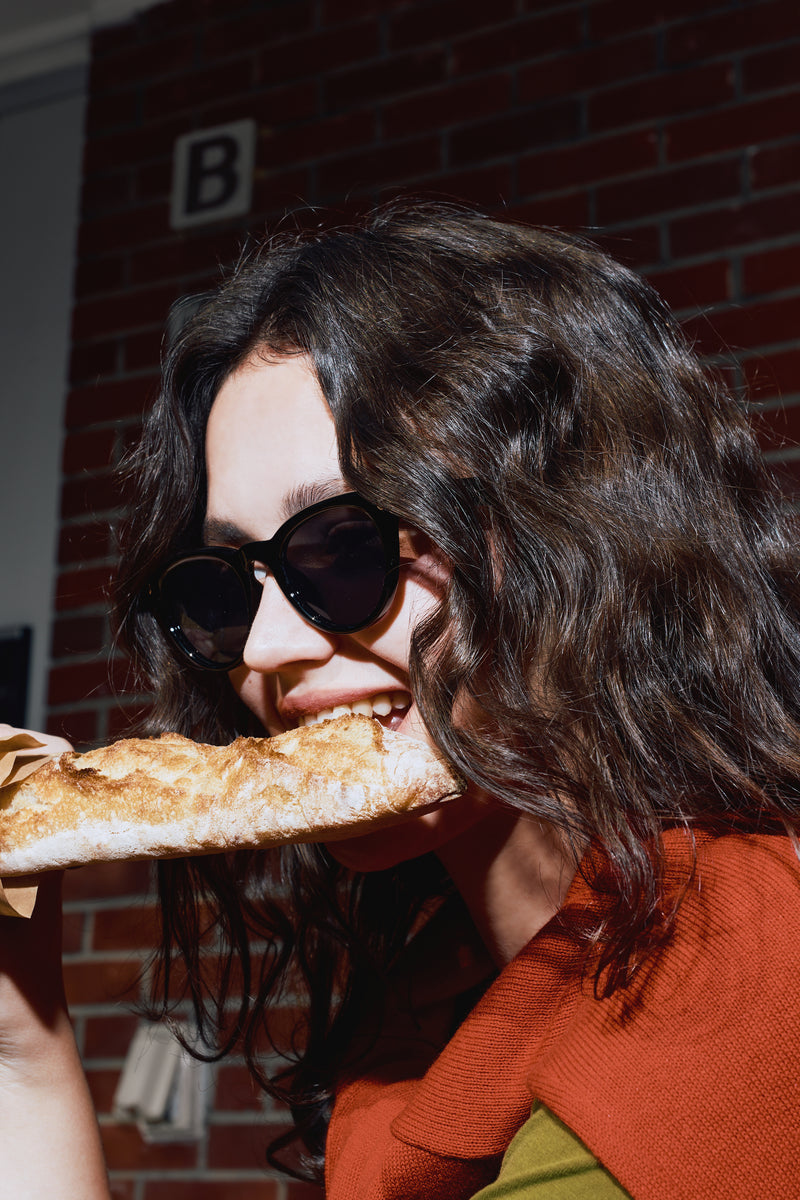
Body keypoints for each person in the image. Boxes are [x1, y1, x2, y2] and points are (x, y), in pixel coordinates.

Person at [5, 202, 800, 1198]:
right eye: (221, 588)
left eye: (343, 549)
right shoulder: (433, 1005)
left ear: (572, 537)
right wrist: (19, 1041)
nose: (265, 648)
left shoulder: (743, 975)